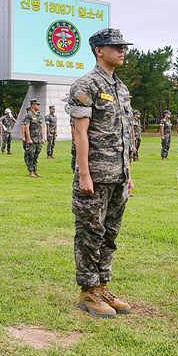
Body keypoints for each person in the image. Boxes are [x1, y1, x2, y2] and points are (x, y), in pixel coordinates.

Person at [68, 28, 134, 318]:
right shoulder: (86, 85)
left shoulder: (120, 88)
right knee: (90, 234)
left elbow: (125, 134)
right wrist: (84, 173)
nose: (122, 51)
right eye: (115, 46)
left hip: (118, 174)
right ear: (99, 50)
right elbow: (79, 133)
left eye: (123, 46)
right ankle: (88, 291)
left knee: (110, 234)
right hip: (94, 174)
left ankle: (103, 285)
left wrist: (128, 173)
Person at [22, 99, 44, 177]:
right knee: (30, 155)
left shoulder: (39, 116)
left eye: (39, 105)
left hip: (38, 139)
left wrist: (42, 138)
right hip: (32, 139)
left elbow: (41, 127)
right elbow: (27, 127)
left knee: (36, 155)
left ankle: (35, 170)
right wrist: (29, 138)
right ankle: (30, 171)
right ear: (33, 105)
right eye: (37, 105)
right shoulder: (29, 115)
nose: (39, 106)